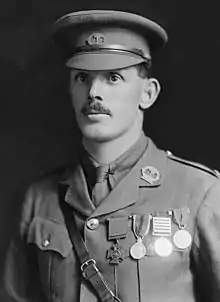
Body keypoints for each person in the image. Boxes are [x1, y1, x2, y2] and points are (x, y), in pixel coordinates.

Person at [3, 9, 220, 302]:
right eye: (82, 77)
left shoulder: (200, 192)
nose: (93, 92)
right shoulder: (39, 199)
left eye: (113, 77)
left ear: (148, 93)